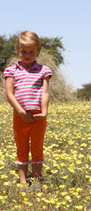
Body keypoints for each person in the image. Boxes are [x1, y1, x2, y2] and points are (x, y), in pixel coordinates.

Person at [3, 31, 52, 184]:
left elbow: (45, 92)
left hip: (38, 117)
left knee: (37, 148)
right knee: (22, 148)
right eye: (24, 51)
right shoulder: (11, 70)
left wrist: (44, 112)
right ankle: (23, 182)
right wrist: (21, 112)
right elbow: (9, 94)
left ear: (37, 51)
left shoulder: (43, 70)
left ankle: (36, 180)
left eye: (31, 52)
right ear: (17, 50)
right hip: (20, 116)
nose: (27, 55)